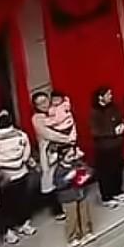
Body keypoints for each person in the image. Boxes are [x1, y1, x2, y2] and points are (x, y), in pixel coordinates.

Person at [0, 109, 38, 243]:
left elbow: (26, 152)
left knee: (21, 201)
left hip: (20, 173)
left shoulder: (19, 135)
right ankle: (8, 231)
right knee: (5, 205)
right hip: (3, 176)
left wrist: (23, 161)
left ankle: (23, 224)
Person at [33, 89, 78, 221]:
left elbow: (70, 121)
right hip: (50, 153)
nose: (43, 104)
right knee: (51, 180)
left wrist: (72, 137)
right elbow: (48, 134)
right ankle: (56, 209)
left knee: (68, 175)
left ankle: (72, 200)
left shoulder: (57, 109)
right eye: (39, 103)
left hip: (66, 150)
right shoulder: (37, 118)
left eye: (45, 100)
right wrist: (66, 139)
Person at [89, 86, 124, 208]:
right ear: (101, 97)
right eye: (108, 94)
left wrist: (122, 125)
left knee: (117, 169)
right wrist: (113, 132)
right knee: (106, 173)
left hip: (117, 145)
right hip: (104, 148)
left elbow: (121, 118)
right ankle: (107, 197)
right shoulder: (94, 112)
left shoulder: (114, 107)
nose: (111, 96)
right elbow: (95, 131)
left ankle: (117, 192)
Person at [53, 142, 95, 246]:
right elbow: (58, 185)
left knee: (84, 214)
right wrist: (67, 178)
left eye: (73, 155)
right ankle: (73, 237)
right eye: (69, 156)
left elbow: (89, 169)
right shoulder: (59, 170)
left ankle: (87, 232)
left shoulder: (77, 163)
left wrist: (87, 175)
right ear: (61, 157)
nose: (72, 158)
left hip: (81, 193)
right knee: (72, 218)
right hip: (68, 197)